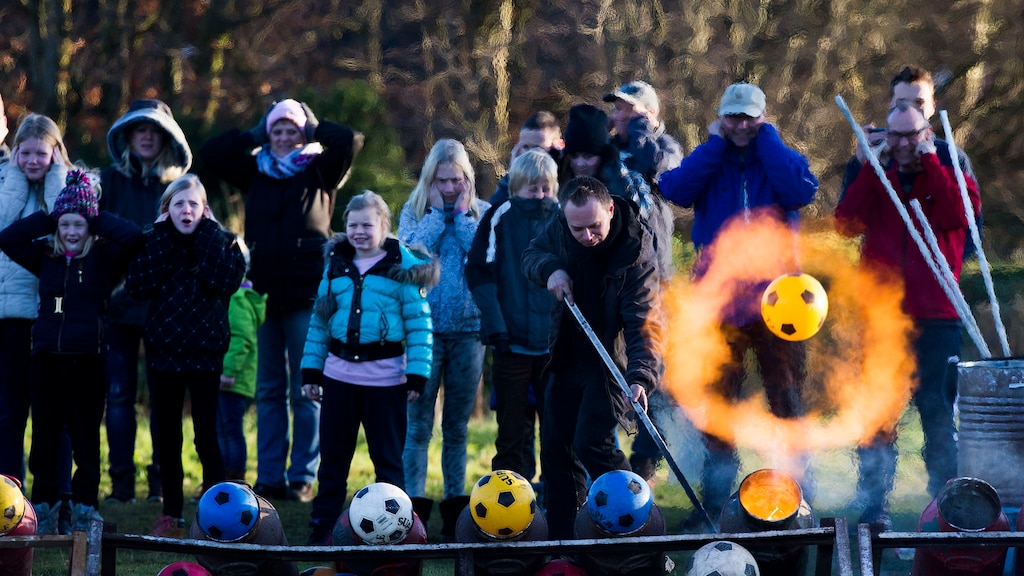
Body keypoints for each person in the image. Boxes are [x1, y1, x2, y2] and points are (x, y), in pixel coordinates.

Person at [658, 82, 819, 525]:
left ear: (763, 117)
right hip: (722, 304)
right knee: (718, 406)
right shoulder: (711, 157)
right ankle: (714, 502)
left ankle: (800, 495)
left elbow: (801, 190)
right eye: (734, 117)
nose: (742, 125)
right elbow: (676, 188)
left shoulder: (777, 154)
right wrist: (715, 144)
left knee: (785, 397)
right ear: (721, 118)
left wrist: (768, 140)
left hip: (779, 303)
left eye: (750, 117)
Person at [200, 98, 364, 503]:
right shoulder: (255, 171)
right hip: (263, 292)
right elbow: (211, 153)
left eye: (293, 130)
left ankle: (302, 476)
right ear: (267, 135)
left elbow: (350, 140)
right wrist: (255, 134)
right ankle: (270, 476)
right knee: (269, 388)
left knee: (306, 388)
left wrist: (312, 128)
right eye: (278, 131)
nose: (285, 137)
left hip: (308, 292)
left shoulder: (321, 170)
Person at [835, 102, 980, 530]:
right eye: (894, 136)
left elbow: (958, 216)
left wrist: (931, 161)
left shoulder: (950, 174)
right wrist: (865, 165)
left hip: (937, 317)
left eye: (911, 135)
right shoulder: (880, 179)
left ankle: (946, 507)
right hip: (882, 318)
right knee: (877, 416)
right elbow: (845, 223)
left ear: (927, 134)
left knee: (937, 415)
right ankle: (874, 506)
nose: (901, 145)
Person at [0, 168, 143, 534]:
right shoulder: (44, 257)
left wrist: (92, 213)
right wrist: (54, 212)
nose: (72, 232)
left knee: (84, 440)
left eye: (79, 225)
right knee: (44, 438)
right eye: (65, 225)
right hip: (46, 359)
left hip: (88, 361)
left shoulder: (104, 260)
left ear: (90, 227)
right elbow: (9, 238)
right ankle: (46, 507)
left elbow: (132, 237)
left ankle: (84, 506)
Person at [521, 175, 662, 539]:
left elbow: (643, 320)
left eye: (594, 226)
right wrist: (550, 270)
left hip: (610, 363)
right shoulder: (561, 227)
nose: (586, 236)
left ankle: (635, 528)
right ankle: (564, 540)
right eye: (578, 228)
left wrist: (641, 377)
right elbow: (531, 254)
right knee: (555, 448)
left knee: (592, 443)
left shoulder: (635, 249)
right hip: (567, 353)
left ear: (611, 210)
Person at [301, 191, 437, 546]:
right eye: (353, 224)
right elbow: (319, 324)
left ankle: (398, 530)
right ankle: (324, 525)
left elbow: (420, 325)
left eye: (367, 225)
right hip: (339, 377)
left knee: (389, 460)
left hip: (386, 380)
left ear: (383, 227)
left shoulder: (402, 269)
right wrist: (311, 372)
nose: (359, 232)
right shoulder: (336, 267)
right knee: (332, 459)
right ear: (345, 227)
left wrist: (418, 374)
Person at [126, 174, 245, 537]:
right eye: (179, 204)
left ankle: (215, 510)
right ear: (167, 210)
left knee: (206, 435)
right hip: (164, 353)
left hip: (205, 353)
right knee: (168, 436)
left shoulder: (224, 242)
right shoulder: (153, 241)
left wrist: (208, 234)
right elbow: (138, 286)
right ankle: (171, 512)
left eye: (194, 204)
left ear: (205, 210)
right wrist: (160, 237)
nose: (187, 210)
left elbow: (225, 282)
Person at [101, 98, 193, 505]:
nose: (146, 137)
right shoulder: (108, 182)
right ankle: (121, 482)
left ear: (167, 139)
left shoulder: (179, 190)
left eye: (154, 131)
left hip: (165, 309)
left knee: (163, 399)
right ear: (127, 135)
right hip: (116, 304)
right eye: (140, 130)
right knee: (119, 395)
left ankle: (161, 481)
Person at [398, 139, 490, 539]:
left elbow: (482, 256)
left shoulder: (482, 212)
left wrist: (463, 216)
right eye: (442, 180)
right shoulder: (413, 211)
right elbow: (411, 260)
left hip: (470, 333)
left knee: (456, 427)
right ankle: (410, 509)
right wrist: (437, 214)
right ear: (430, 179)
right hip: (423, 332)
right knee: (417, 426)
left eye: (457, 180)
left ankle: (455, 508)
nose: (450, 187)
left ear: (467, 178)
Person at [466, 149, 559, 479]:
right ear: (516, 187)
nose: (540, 195)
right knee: (510, 434)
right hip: (511, 344)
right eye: (532, 189)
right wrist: (497, 328)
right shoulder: (499, 215)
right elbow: (479, 271)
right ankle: (510, 503)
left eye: (546, 188)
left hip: (554, 347)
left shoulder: (562, 216)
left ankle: (559, 502)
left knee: (557, 431)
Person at [842, 65, 983, 259]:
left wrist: (946, 268)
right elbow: (847, 225)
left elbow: (971, 230)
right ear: (891, 104)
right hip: (879, 283)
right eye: (902, 103)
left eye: (919, 103)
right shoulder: (877, 157)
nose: (910, 110)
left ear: (933, 106)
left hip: (935, 280)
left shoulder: (951, 157)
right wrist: (861, 165)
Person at [0, 114, 70, 488]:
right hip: (9, 315)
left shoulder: (73, 182)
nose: (31, 161)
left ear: (55, 153)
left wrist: (56, 176)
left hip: (52, 317)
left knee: (53, 414)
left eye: (40, 153)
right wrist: (13, 179)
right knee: (10, 412)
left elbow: (65, 220)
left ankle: (55, 493)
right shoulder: (5, 184)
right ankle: (10, 492)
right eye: (24, 153)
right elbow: (3, 226)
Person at [217, 238, 266, 482]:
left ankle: (235, 479)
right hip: (227, 376)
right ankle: (223, 477)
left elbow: (241, 339)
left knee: (230, 429)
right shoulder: (230, 296)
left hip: (232, 379)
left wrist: (228, 371)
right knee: (222, 429)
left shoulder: (237, 299)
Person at [602, 80, 684, 183]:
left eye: (629, 110)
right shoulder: (609, 145)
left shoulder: (668, 146)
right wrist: (599, 133)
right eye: (618, 109)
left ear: (651, 114)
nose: (621, 116)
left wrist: (640, 131)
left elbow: (655, 168)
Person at [489, 111, 564, 205]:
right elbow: (495, 211)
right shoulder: (512, 182)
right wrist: (512, 176)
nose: (530, 154)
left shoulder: (569, 181)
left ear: (558, 147)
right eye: (526, 147)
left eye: (537, 148)